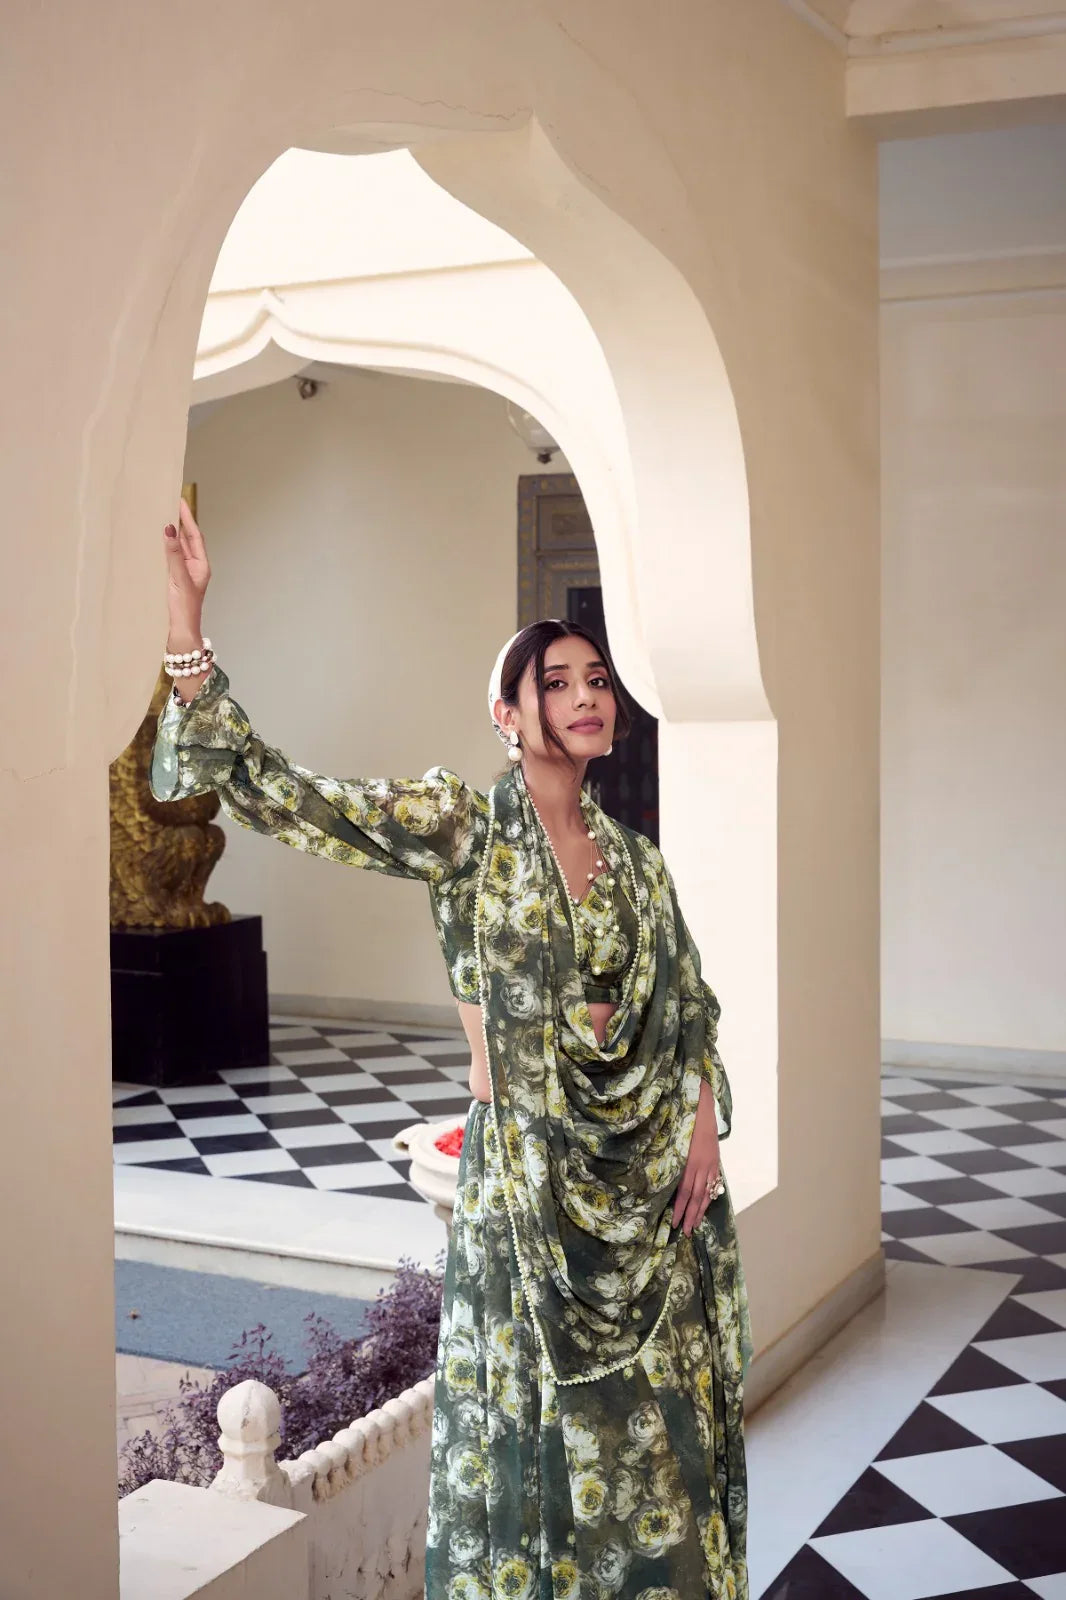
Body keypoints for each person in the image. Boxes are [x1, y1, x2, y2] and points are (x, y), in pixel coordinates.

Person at [153, 497, 753, 1599]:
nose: (586, 696)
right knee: (533, 1425)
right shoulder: (462, 829)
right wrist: (189, 632)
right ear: (505, 712)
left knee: (648, 1440)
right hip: (524, 1188)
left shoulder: (636, 862)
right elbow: (291, 796)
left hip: (642, 1190)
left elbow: (690, 1007)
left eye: (597, 679)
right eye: (556, 682)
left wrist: (702, 1128)